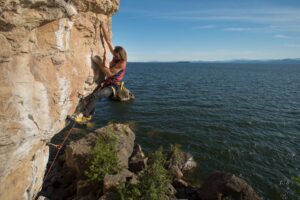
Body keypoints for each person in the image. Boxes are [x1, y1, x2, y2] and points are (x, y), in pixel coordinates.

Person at [73, 22, 127, 123]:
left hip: (113, 87)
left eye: (116, 55)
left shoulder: (122, 63)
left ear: (121, 55)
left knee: (96, 95)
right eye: (114, 54)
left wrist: (98, 63)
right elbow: (108, 41)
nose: (114, 56)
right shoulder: (117, 56)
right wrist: (102, 26)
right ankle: (90, 114)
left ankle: (85, 116)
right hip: (108, 83)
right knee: (94, 95)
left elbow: (109, 74)